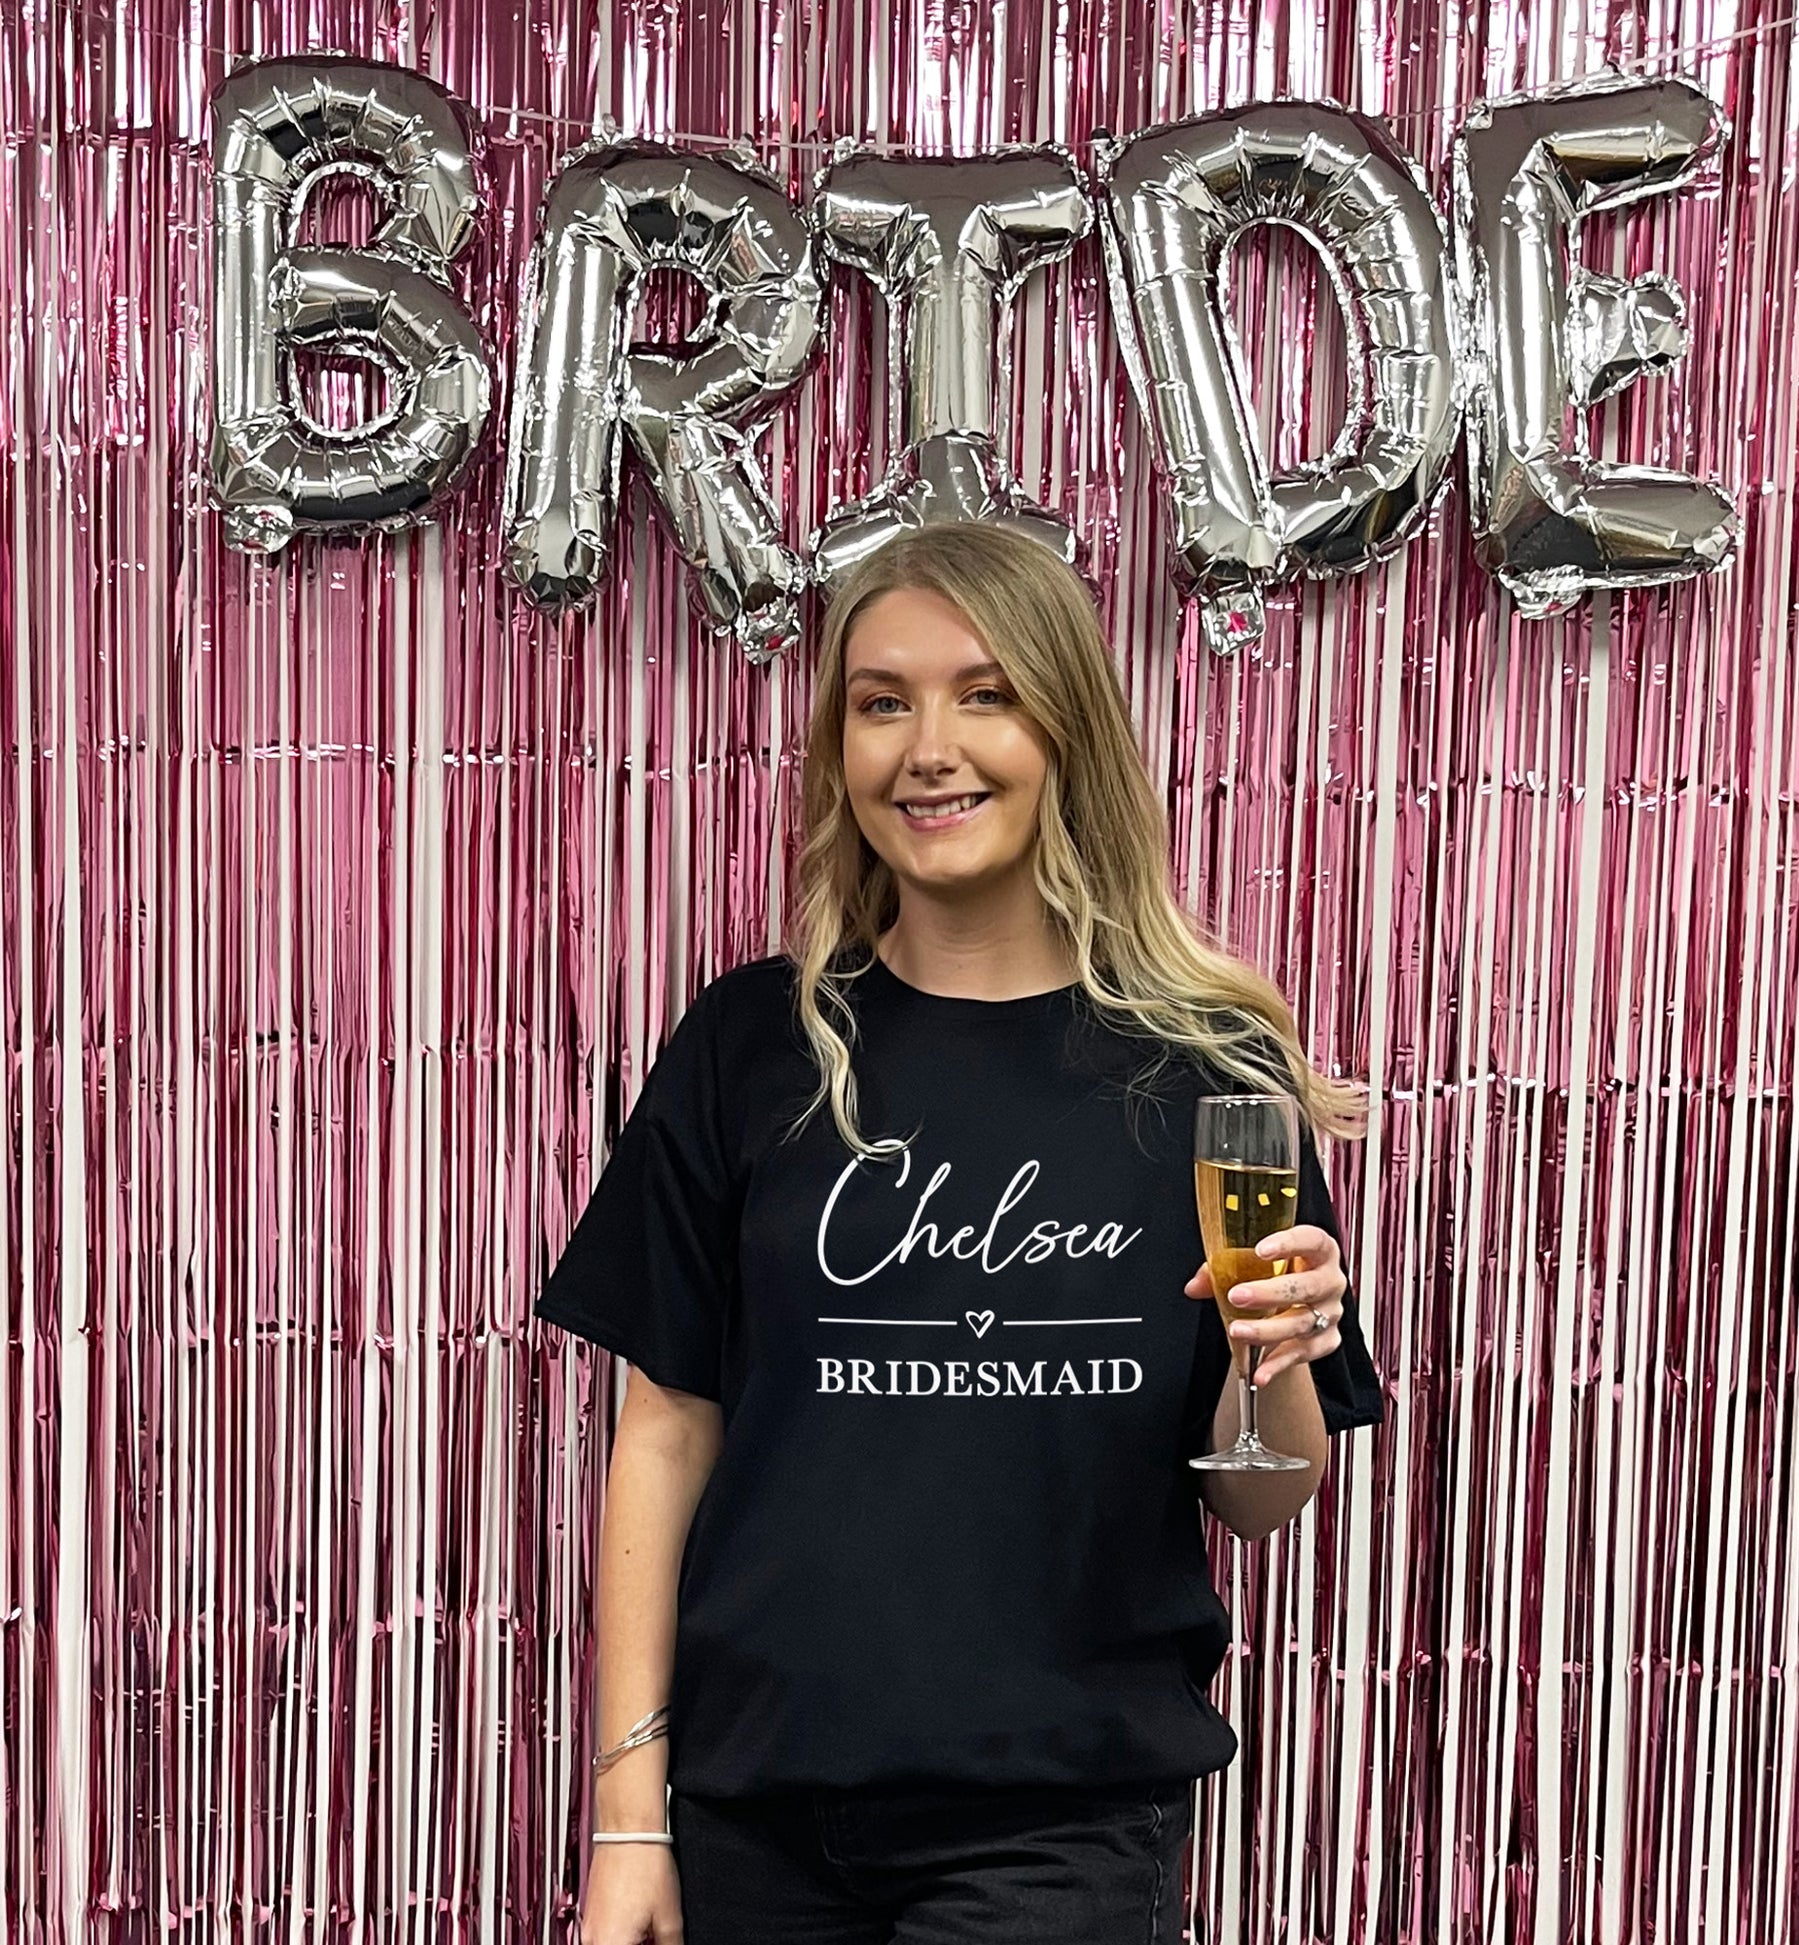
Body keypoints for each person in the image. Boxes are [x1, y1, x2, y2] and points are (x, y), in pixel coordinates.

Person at [535, 522, 1383, 1945]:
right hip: (759, 1813)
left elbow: (1257, 1494)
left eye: (983, 694)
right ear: (838, 746)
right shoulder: (750, 1044)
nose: (928, 746)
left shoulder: (1207, 1073)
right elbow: (663, 1434)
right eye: (882, 701)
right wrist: (631, 1815)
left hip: (1057, 1827)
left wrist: (1270, 1359)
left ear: (1065, 732)